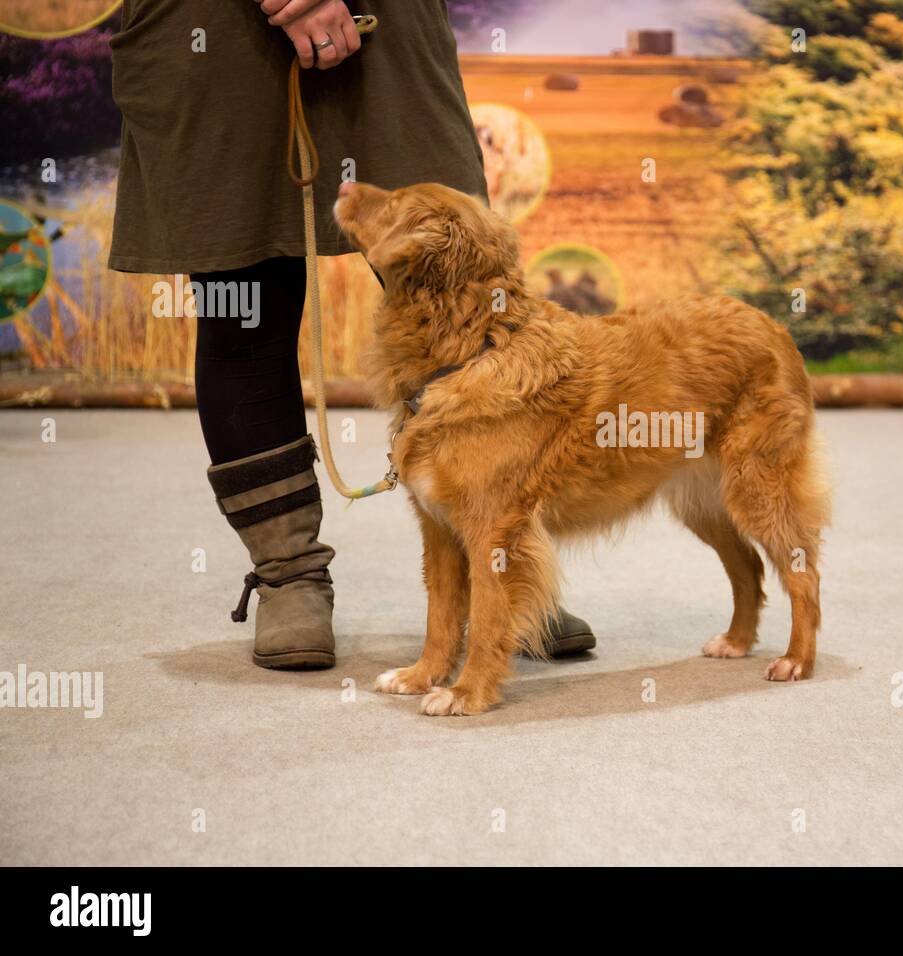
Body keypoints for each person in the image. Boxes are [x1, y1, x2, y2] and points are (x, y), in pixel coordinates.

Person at [108, 0, 595, 669]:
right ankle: (289, 572)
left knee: (464, 286)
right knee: (244, 301)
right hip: (214, 27)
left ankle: (497, 569)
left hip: (385, 21)